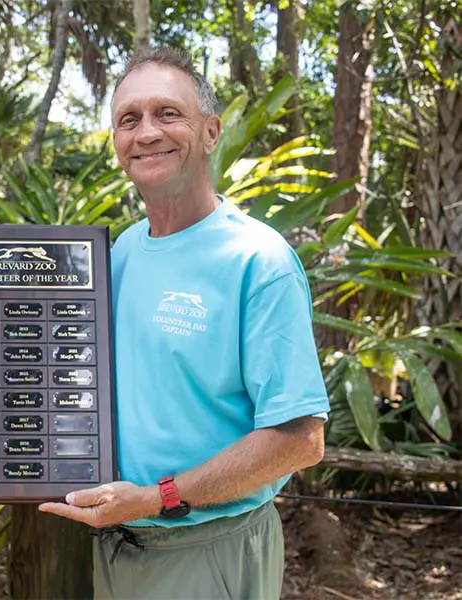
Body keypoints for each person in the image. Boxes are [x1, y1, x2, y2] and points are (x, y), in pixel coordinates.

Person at [39, 46, 329, 599]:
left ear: (212, 131)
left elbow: (299, 439)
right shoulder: (119, 252)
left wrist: (158, 498)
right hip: (115, 544)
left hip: (208, 547)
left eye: (167, 114)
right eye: (129, 119)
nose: (146, 132)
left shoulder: (257, 260)